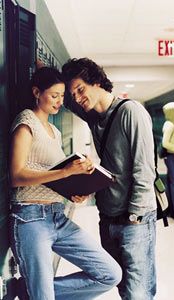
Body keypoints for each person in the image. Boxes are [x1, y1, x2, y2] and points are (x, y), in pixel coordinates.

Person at [9, 67, 122, 300]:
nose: (60, 101)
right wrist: (65, 172)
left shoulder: (55, 131)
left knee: (110, 274)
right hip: (30, 219)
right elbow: (16, 175)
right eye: (54, 95)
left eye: (62, 96)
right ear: (36, 92)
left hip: (57, 217)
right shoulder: (25, 123)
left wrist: (74, 191)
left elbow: (52, 176)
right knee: (43, 296)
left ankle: (24, 291)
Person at [62, 58, 157, 300]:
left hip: (133, 220)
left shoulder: (131, 112)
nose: (78, 97)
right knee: (123, 288)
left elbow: (144, 170)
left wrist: (134, 216)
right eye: (73, 94)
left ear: (96, 81)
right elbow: (63, 102)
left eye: (80, 89)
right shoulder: (95, 119)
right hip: (108, 217)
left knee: (138, 292)